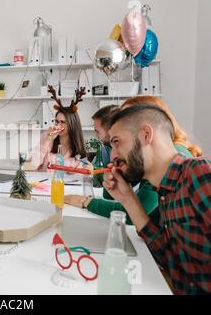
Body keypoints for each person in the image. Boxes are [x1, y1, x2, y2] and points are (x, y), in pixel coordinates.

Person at [103, 103, 211, 294]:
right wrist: (127, 198)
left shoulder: (199, 173)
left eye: (116, 142)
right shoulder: (164, 192)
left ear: (146, 135)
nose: (113, 156)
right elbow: (169, 259)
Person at [65, 96, 200, 225]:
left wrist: (86, 202)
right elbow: (154, 236)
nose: (113, 156)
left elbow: (134, 215)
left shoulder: (180, 164)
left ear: (146, 133)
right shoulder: (146, 164)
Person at [30, 106, 92, 172]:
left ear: (72, 124)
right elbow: (33, 165)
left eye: (62, 122)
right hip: (44, 182)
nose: (58, 125)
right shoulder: (47, 137)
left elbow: (82, 174)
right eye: (56, 121)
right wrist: (47, 140)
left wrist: (88, 170)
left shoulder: (78, 147)